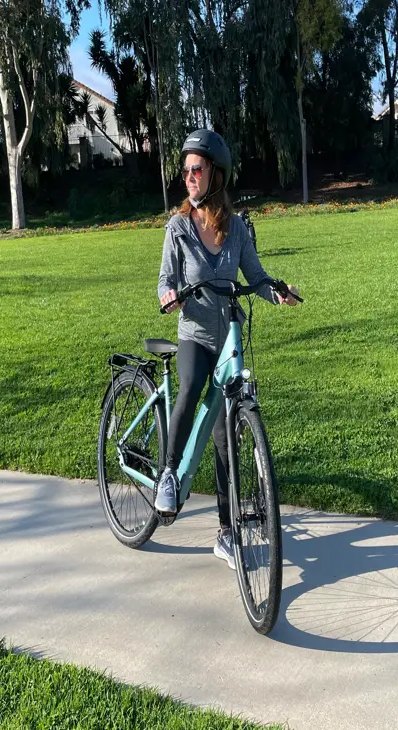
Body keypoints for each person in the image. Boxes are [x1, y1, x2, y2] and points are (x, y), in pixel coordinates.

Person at [156, 129, 300, 570]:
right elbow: (165, 280)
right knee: (191, 386)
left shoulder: (236, 228)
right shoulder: (178, 227)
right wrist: (170, 295)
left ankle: (226, 531)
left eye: (196, 169)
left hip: (229, 340)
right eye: (185, 170)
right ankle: (167, 475)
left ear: (216, 174)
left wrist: (276, 292)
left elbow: (254, 275)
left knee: (224, 438)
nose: (188, 177)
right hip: (195, 336)